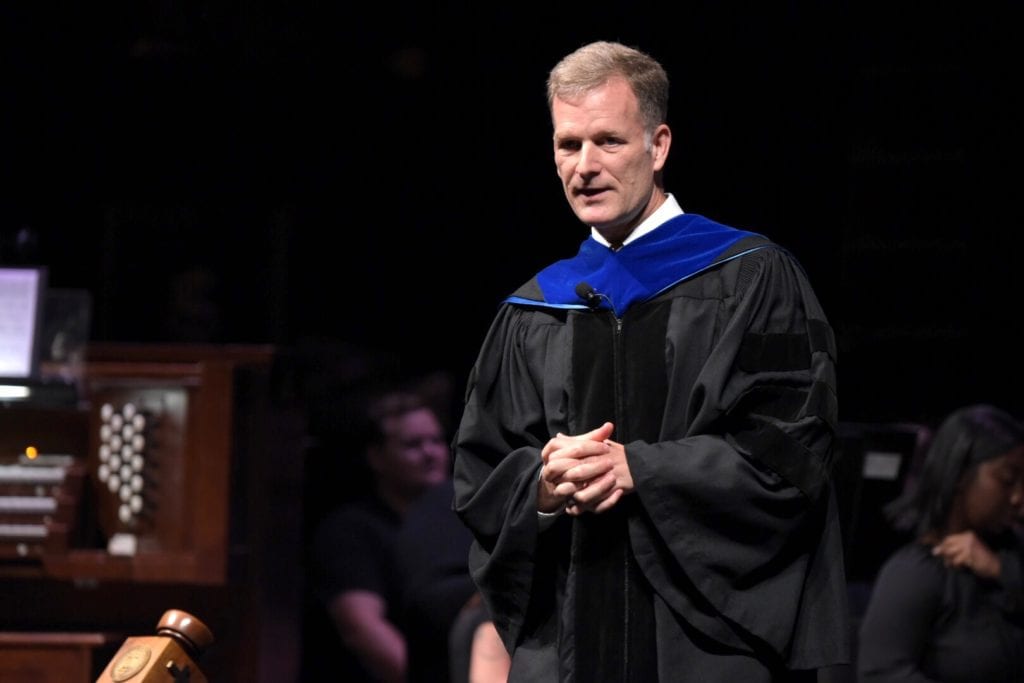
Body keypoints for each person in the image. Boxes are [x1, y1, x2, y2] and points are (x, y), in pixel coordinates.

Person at [450, 40, 850, 682]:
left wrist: (641, 469)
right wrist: (545, 488)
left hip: (702, 645)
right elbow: (481, 475)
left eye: (608, 141)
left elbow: (792, 448)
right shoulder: (536, 309)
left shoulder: (748, 279)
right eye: (567, 145)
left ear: (658, 146)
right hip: (569, 643)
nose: (584, 166)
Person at [856, 404, 1024, 682]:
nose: (1019, 498)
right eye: (1008, 480)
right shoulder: (916, 572)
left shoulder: (1009, 559)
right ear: (960, 475)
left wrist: (1000, 570)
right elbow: (883, 673)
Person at [308, 387, 451, 682]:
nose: (430, 453)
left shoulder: (459, 521)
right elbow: (361, 629)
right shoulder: (350, 530)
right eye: (413, 444)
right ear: (376, 457)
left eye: (437, 441)